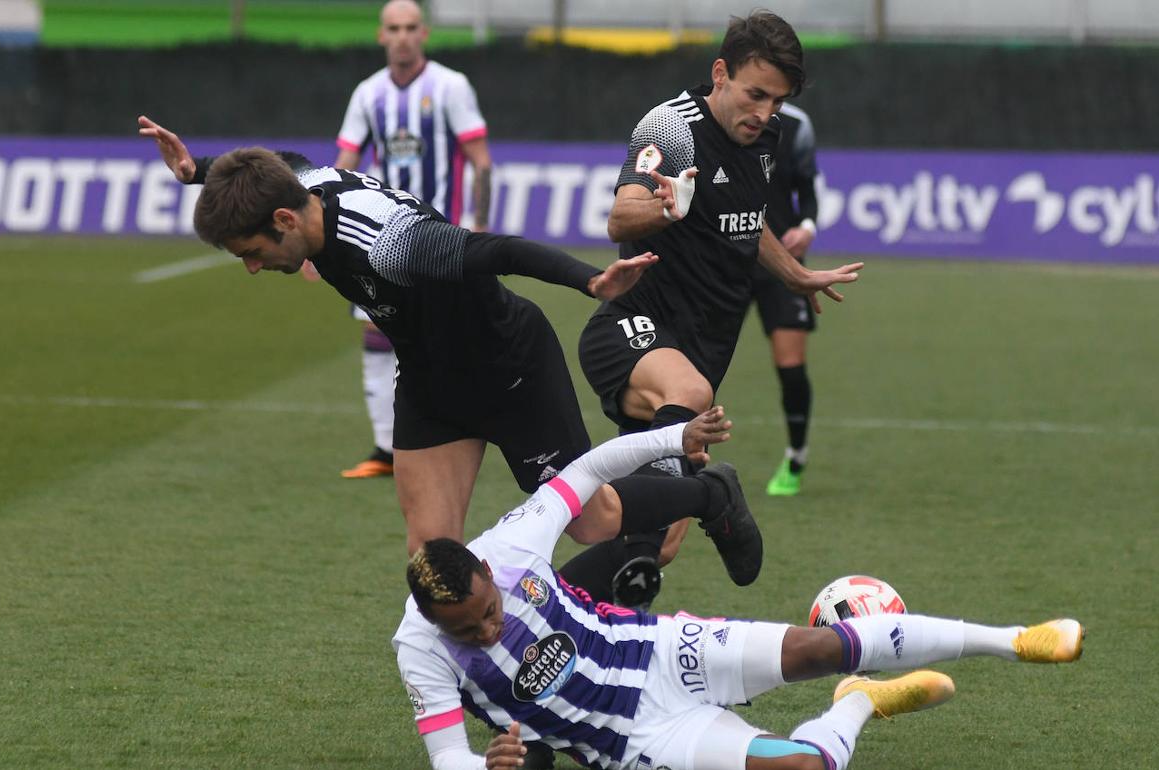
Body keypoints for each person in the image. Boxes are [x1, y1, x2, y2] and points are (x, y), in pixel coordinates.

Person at [397, 412, 1086, 770]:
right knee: (805, 765)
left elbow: (592, 466)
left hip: (665, 650)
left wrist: (676, 435)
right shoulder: (419, 648)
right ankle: (861, 704)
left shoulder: (512, 546)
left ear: (487, 574)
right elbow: (446, 754)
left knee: (821, 646)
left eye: (487, 613)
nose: (485, 630)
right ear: (434, 623)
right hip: (638, 740)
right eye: (465, 631)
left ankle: (1014, 640)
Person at [136, 118, 666, 561]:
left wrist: (589, 280)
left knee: (592, 524)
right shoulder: (300, 182)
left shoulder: (390, 243)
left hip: (508, 367)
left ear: (283, 219)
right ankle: (464, 676)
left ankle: (705, 492)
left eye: (250, 251)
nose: (252, 267)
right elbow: (279, 159)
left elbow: (494, 250)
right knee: (431, 555)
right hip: (428, 380)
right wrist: (196, 171)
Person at [568, 11, 861, 606]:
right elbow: (621, 217)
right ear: (720, 73)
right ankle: (713, 496)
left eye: (777, 103)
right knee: (692, 395)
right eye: (755, 95)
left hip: (703, 348)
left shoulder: (767, 139)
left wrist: (796, 275)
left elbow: (745, 225)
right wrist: (670, 207)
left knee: (651, 537)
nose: (764, 113)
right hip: (633, 328)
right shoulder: (672, 128)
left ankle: (567, 611)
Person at [330, 0, 495, 479]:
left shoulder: (450, 86)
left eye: (410, 28)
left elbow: (479, 159)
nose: (402, 36)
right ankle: (385, 448)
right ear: (381, 36)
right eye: (393, 29)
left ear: (423, 33)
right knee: (378, 331)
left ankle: (467, 432)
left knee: (451, 331)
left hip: (440, 234)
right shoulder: (368, 94)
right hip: (377, 235)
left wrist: (477, 226)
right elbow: (345, 163)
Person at [752, 102, 822, 497]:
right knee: (699, 363)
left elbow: (807, 187)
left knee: (791, 365)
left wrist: (808, 225)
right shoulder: (710, 113)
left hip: (782, 260)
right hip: (725, 259)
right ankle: (683, 456)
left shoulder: (797, 124)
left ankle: (796, 455)